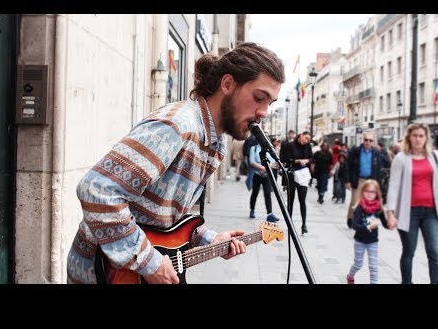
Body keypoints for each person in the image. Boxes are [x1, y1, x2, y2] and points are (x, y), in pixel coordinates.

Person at [66, 42, 285, 284]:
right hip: (103, 273)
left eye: (270, 103)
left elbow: (167, 219)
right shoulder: (178, 126)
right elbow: (97, 190)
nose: (264, 112)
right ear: (227, 84)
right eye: (259, 97)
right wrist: (149, 262)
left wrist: (208, 239)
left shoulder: (213, 143)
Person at [386, 123, 438, 284]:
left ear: (426, 138)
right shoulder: (401, 158)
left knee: (434, 252)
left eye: (421, 136)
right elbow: (393, 185)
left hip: (431, 212)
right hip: (409, 212)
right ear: (409, 137)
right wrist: (390, 213)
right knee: (409, 252)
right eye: (415, 136)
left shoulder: (433, 156)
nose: (418, 139)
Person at [346, 180, 388, 284]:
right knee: (358, 264)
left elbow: (385, 224)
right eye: (367, 191)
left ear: (377, 193)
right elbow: (355, 225)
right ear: (362, 192)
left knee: (373, 267)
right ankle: (350, 276)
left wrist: (393, 222)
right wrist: (368, 227)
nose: (369, 194)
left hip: (373, 241)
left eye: (372, 192)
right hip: (360, 241)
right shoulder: (359, 208)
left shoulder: (378, 208)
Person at [345, 131, 387, 229]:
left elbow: (380, 167)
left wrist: (378, 184)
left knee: (369, 201)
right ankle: (351, 219)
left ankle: (364, 220)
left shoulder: (376, 153)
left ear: (373, 142)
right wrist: (347, 180)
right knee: (355, 201)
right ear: (363, 140)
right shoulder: (355, 151)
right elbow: (348, 165)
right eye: (366, 140)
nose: (368, 142)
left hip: (371, 180)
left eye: (370, 140)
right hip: (358, 179)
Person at [284, 131, 312, 234]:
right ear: (300, 135)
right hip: (292, 174)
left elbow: (311, 158)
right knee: (290, 200)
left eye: (308, 139)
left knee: (302, 201)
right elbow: (286, 159)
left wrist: (307, 161)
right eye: (306, 138)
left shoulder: (308, 146)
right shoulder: (290, 145)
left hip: (303, 175)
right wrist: (297, 161)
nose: (307, 141)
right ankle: (289, 223)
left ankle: (304, 225)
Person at [248, 143, 279, 222]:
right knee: (255, 192)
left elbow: (273, 161)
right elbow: (252, 161)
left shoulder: (270, 149)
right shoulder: (254, 148)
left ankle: (270, 214)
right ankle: (252, 209)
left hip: (267, 175)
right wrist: (262, 168)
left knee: (268, 193)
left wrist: (266, 168)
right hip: (257, 174)